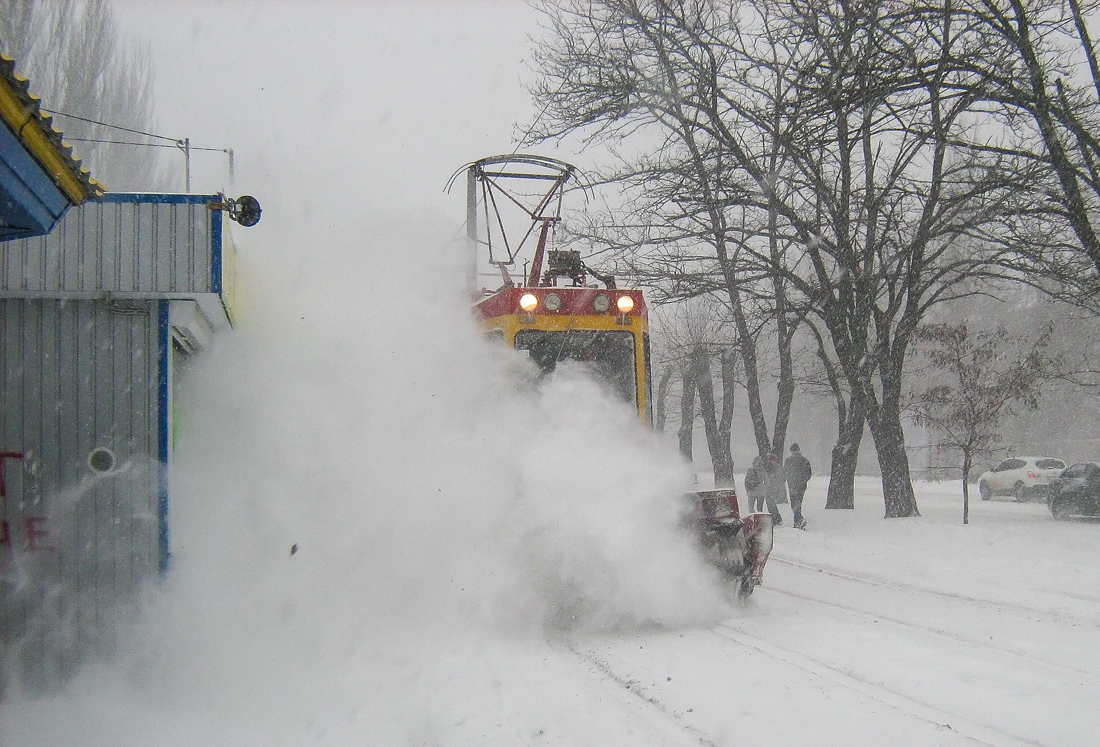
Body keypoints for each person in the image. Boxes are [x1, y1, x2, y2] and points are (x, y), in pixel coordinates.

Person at [785, 443, 812, 530]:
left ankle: (799, 520)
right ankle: (798, 521)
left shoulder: (788, 461)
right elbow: (809, 473)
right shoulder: (805, 460)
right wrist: (803, 480)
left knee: (794, 503)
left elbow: (785, 472)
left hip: (792, 485)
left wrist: (788, 479)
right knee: (798, 502)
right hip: (802, 485)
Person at [761, 451, 786, 526]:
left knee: (770, 503)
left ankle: (776, 519)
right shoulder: (776, 467)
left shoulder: (773, 467)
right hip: (772, 487)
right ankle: (776, 519)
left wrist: (774, 483)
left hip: (772, 488)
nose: (768, 460)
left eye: (770, 458)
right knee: (771, 503)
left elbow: (780, 477)